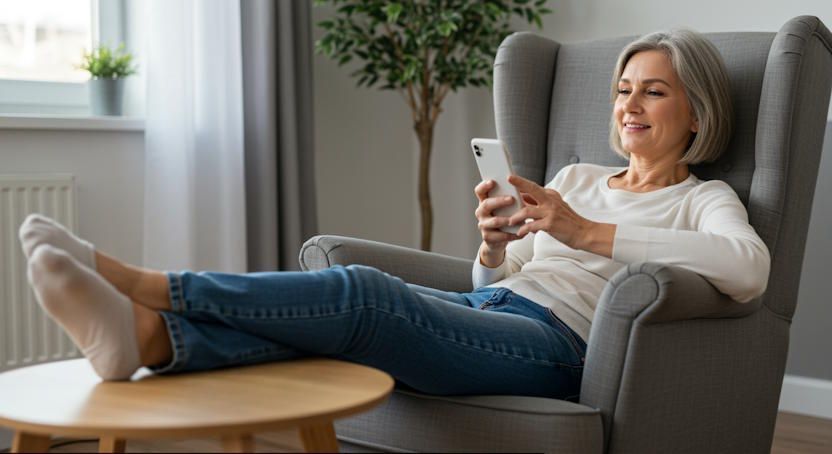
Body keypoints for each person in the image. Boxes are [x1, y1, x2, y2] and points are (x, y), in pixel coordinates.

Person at [19, 28, 769, 402]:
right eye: (621, 89)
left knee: (363, 291)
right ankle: (153, 338)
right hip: (496, 307)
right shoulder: (575, 176)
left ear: (698, 114)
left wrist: (587, 231)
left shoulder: (703, 198)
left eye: (653, 91)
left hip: (559, 351)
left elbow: (749, 271)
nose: (628, 104)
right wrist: (494, 244)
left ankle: (148, 284)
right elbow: (504, 279)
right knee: (341, 321)